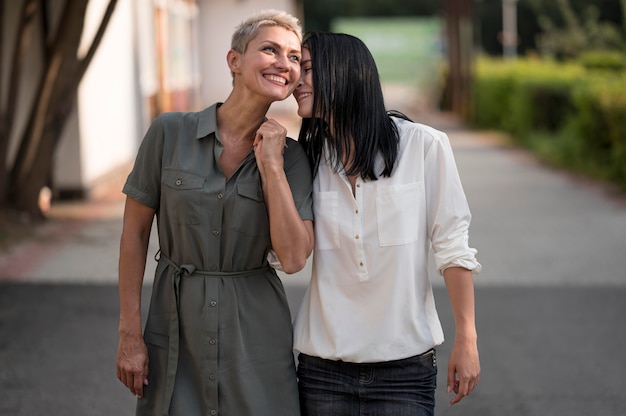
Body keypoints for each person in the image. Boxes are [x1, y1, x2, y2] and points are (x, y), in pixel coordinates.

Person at [115, 10, 314, 416]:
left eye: (294, 57)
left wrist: (271, 166)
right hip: (174, 328)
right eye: (270, 49)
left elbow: (294, 258)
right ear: (234, 61)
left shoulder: (293, 159)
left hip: (255, 338)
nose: (284, 63)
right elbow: (134, 235)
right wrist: (130, 333)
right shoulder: (168, 132)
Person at [291, 32, 482, 415]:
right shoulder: (307, 159)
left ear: (344, 72)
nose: (298, 81)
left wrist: (467, 338)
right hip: (322, 369)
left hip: (406, 368)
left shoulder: (424, 146)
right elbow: (288, 253)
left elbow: (452, 246)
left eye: (307, 69)